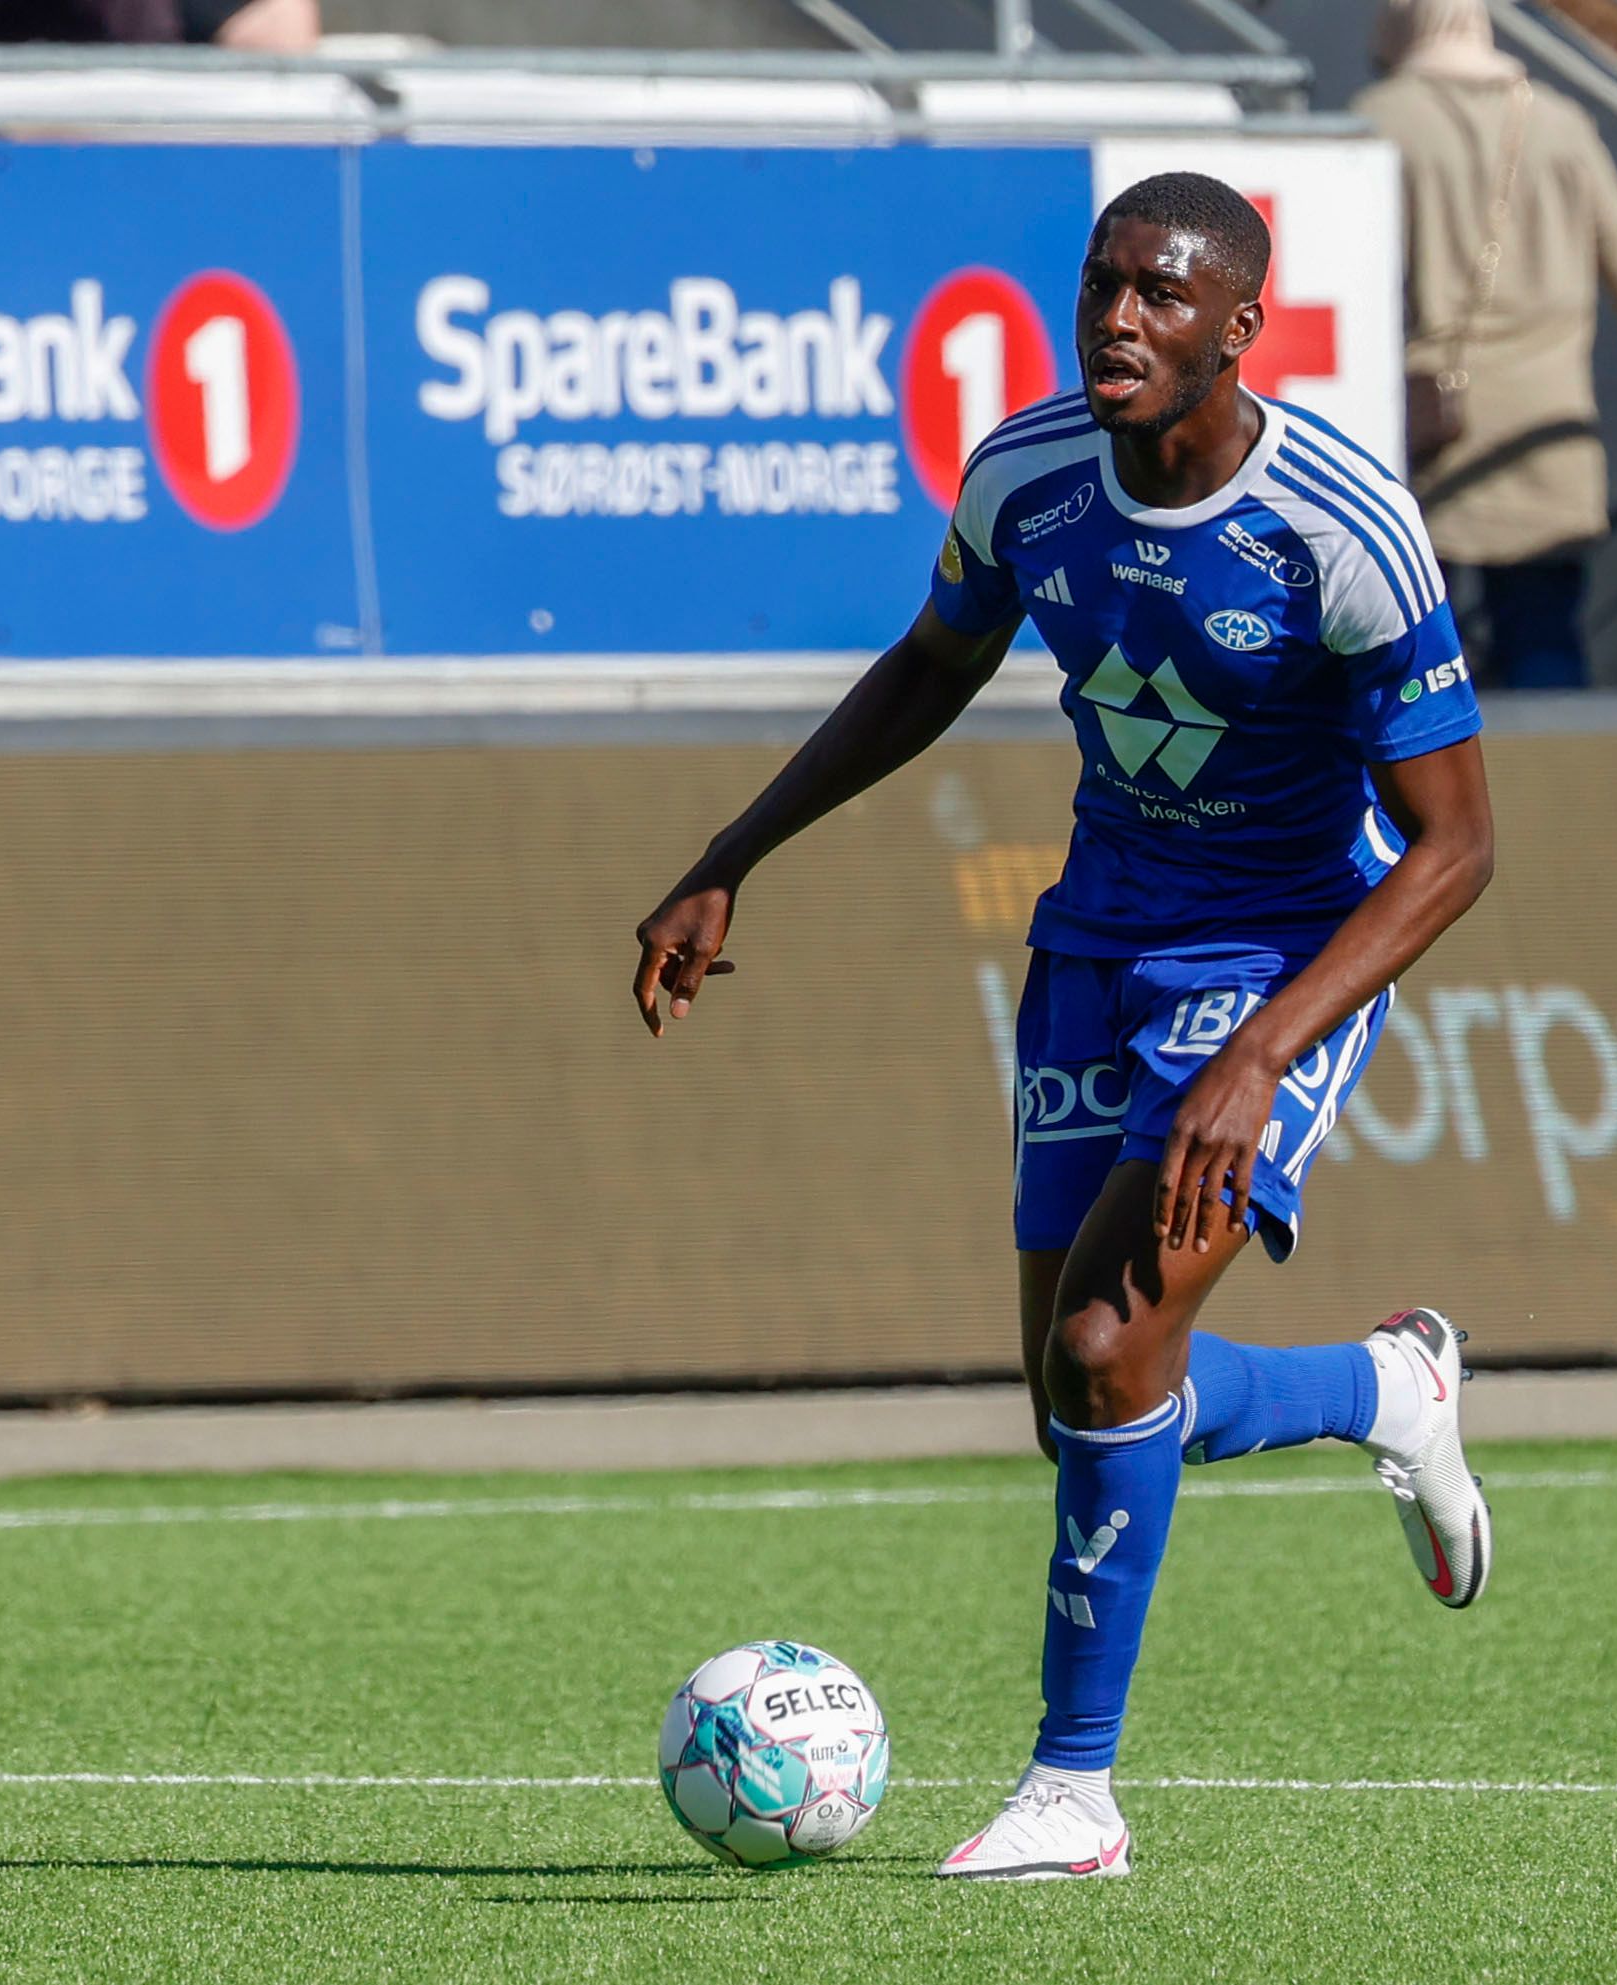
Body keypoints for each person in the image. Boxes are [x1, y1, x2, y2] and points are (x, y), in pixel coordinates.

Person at [633, 173, 1496, 1883]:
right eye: (1102, 284)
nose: (1118, 318)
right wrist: (732, 856)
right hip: (1100, 938)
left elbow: (1458, 847)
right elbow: (930, 664)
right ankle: (1384, 1387)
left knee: (1107, 1350)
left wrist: (1262, 1052)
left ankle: (1072, 1795)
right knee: (1078, 1393)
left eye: (1162, 295)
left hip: (1281, 953)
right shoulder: (1025, 476)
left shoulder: (1341, 527)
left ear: (1239, 328)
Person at [1354, 0, 1617, 689]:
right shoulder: (1560, 124)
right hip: (1547, 434)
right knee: (1544, 642)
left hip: (1421, 432)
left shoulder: (1379, 120)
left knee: (1407, 655)